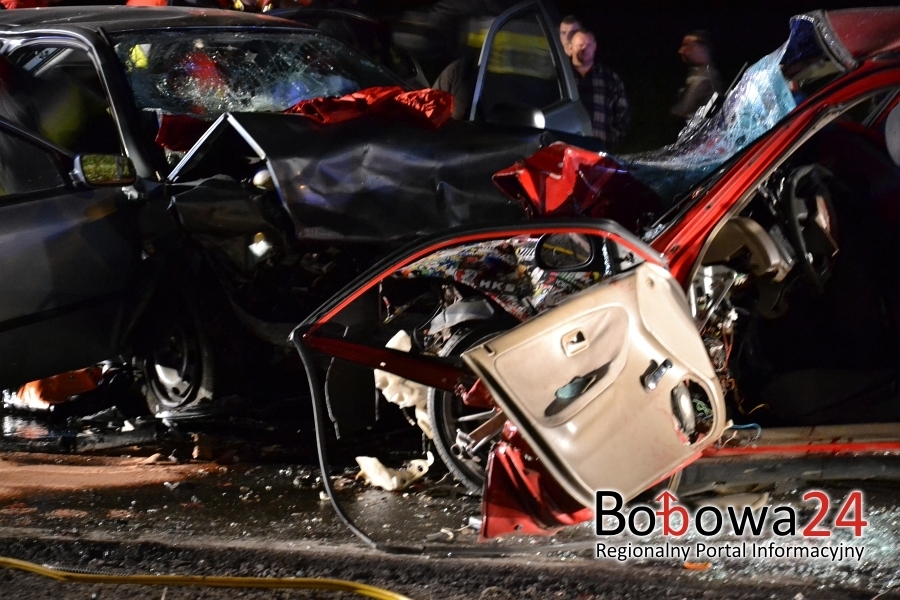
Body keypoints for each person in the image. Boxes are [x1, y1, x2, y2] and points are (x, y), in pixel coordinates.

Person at [568, 29, 629, 150]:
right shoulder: (563, 77)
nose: (585, 49)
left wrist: (614, 138)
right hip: (567, 146)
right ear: (570, 48)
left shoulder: (609, 78)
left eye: (589, 45)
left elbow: (623, 112)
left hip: (600, 148)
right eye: (580, 45)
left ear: (595, 47)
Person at [671, 30, 723, 121]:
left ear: (702, 49)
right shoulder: (697, 74)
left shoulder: (706, 79)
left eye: (688, 46)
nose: (681, 51)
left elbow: (683, 111)